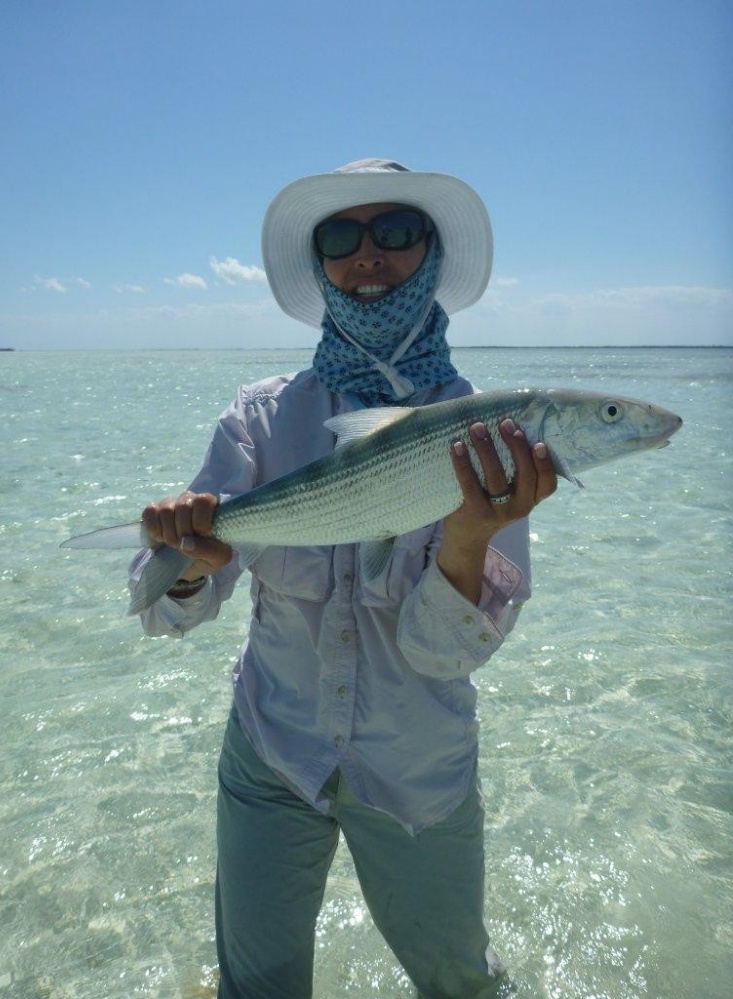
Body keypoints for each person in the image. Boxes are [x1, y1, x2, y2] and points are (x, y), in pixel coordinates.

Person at [130, 158, 557, 998]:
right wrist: (189, 567)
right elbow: (161, 612)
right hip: (270, 752)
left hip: (417, 769)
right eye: (340, 237)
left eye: (395, 232)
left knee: (460, 984)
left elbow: (445, 655)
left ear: (430, 252)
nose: (368, 257)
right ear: (320, 263)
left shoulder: (491, 432)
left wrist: (468, 536)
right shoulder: (261, 416)